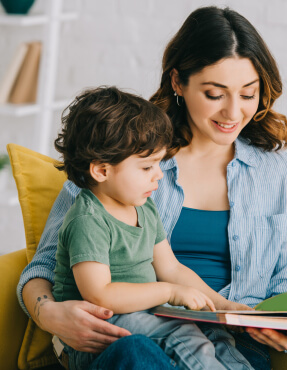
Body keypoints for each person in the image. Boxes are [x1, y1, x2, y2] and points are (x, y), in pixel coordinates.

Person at [17, 6, 287, 370]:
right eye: (215, 94)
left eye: (248, 94)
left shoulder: (281, 176)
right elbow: (42, 268)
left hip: (230, 343)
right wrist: (50, 315)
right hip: (129, 336)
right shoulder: (121, 157)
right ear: (178, 82)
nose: (233, 113)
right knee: (135, 354)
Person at [52, 86, 255, 370]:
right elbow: (101, 295)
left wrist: (222, 305)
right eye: (147, 167)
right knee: (181, 335)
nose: (159, 174)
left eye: (158, 163)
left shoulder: (143, 207)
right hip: (100, 329)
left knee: (213, 336)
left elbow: (171, 268)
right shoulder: (88, 219)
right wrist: (169, 292)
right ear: (101, 170)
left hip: (143, 315)